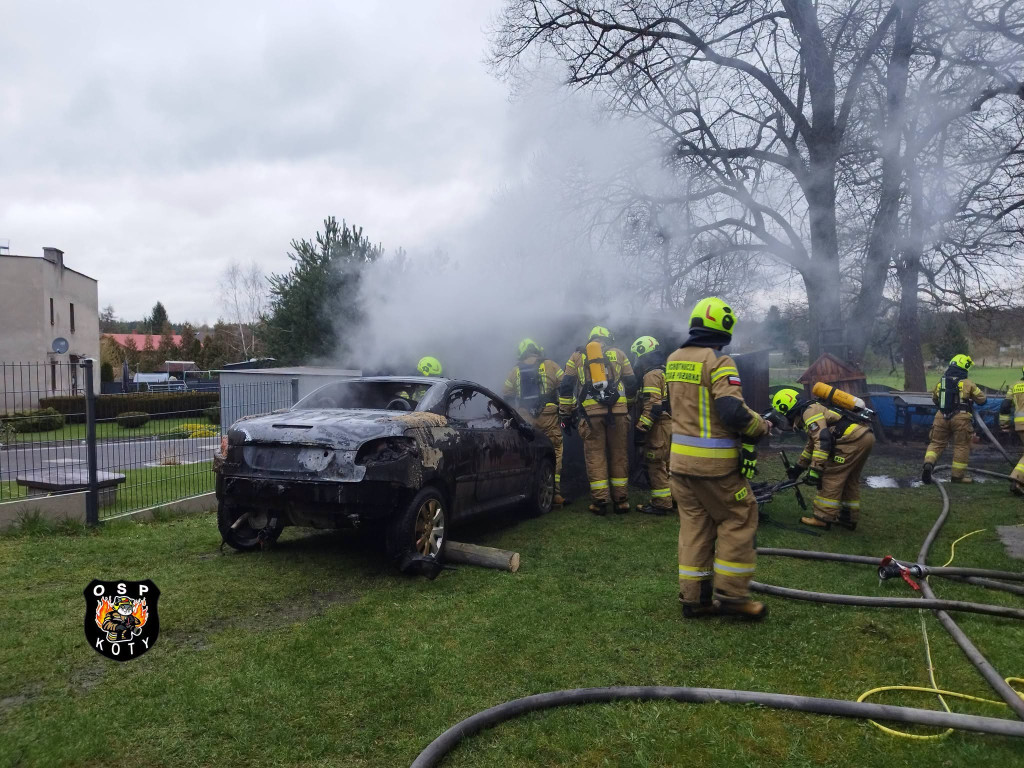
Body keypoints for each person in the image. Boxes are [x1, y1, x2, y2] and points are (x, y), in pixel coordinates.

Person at [667, 297, 770, 620]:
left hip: (680, 466)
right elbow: (731, 411)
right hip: (715, 467)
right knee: (739, 517)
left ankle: (694, 598)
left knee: (695, 526)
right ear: (725, 330)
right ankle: (732, 596)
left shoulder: (674, 359)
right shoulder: (718, 361)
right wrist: (760, 426)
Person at [558, 326, 637, 515]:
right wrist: (629, 406)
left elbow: (566, 387)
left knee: (595, 456)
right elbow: (632, 383)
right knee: (619, 455)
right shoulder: (619, 354)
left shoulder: (577, 356)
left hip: (590, 415)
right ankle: (622, 501)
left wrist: (565, 414)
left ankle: (600, 501)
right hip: (618, 413)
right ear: (607, 339)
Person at [771, 388, 875, 530]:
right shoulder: (811, 408)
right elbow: (812, 444)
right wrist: (798, 468)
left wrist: (816, 470)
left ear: (785, 408)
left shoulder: (808, 413)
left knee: (831, 477)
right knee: (850, 479)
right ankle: (848, 518)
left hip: (850, 441)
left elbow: (823, 440)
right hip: (865, 437)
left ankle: (822, 518)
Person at [503, 339, 566, 506]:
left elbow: (506, 395)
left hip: (525, 417)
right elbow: (565, 385)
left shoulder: (515, 371)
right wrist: (567, 410)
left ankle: (527, 491)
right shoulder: (551, 365)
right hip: (548, 415)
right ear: (537, 350)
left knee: (529, 452)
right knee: (555, 450)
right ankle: (555, 492)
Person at [922, 354, 986, 484]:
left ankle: (929, 463)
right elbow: (982, 400)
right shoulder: (967, 383)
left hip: (940, 416)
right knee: (961, 446)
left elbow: (935, 399)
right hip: (961, 418)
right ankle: (957, 477)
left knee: (936, 443)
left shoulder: (941, 383)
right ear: (964, 368)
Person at [630, 335, 672, 515]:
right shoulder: (663, 371)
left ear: (643, 354)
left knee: (655, 463)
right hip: (668, 423)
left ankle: (661, 504)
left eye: (638, 357)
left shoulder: (651, 375)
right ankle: (673, 498)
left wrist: (641, 429)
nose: (637, 362)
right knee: (668, 464)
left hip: (658, 425)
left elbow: (653, 407)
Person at [999, 366, 1024, 496]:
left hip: (1020, 425)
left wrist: (1004, 425)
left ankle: (1018, 482)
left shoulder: (1015, 386)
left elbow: (1004, 407)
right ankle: (1016, 478)